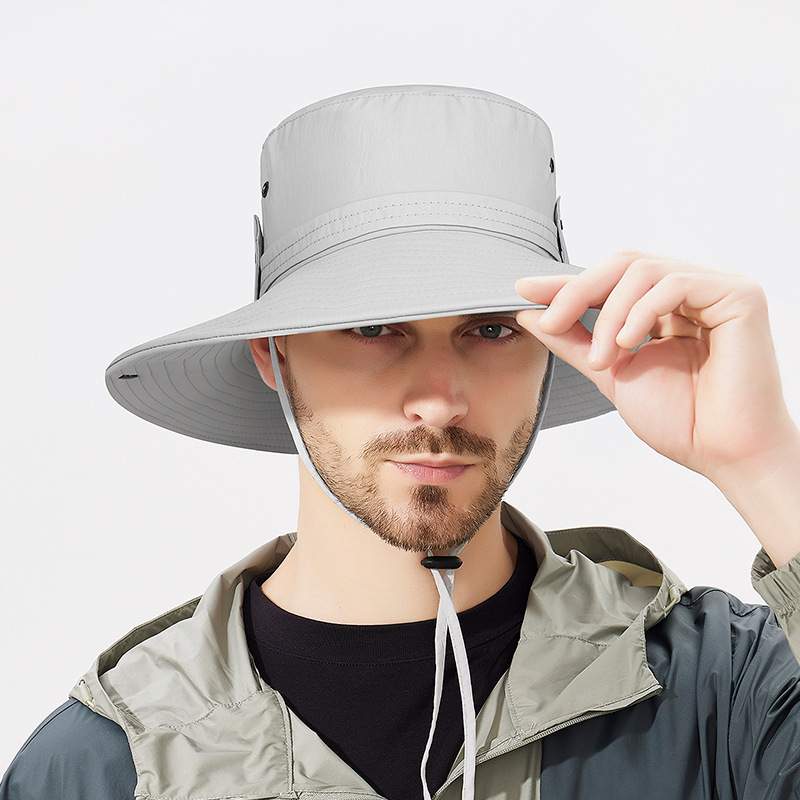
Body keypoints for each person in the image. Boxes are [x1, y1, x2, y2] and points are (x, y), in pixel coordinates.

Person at [3, 84, 800, 800]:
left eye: (491, 329)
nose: (439, 399)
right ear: (273, 354)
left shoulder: (728, 692)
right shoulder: (109, 764)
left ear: (552, 349)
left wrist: (764, 466)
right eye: (373, 328)